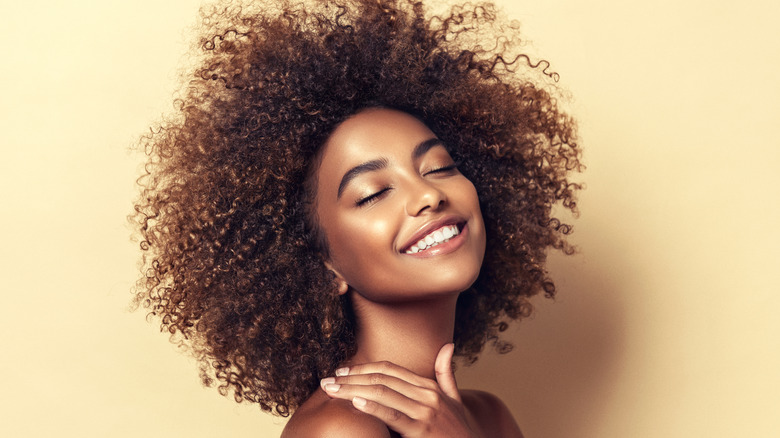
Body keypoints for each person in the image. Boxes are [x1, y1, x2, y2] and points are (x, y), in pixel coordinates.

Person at [131, 0, 581, 436]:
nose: (428, 195)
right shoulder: (340, 428)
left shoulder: (487, 417)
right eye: (373, 194)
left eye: (440, 168)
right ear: (324, 264)